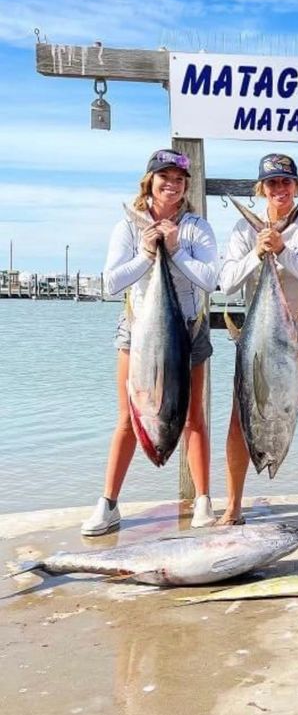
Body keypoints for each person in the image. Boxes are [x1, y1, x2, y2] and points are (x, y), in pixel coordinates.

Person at [81, 149, 219, 535]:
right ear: (150, 180)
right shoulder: (128, 226)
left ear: (186, 185)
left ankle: (204, 501)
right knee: (127, 418)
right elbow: (111, 283)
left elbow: (210, 280)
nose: (171, 184)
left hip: (189, 328)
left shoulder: (196, 228)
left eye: (178, 178)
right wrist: (146, 253)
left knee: (193, 417)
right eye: (164, 177)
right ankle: (108, 504)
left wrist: (174, 250)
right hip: (139, 330)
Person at [218, 153, 298, 537]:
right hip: (259, 336)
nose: (279, 190)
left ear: (297, 186)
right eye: (272, 184)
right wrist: (259, 252)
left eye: (286, 182)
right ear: (261, 189)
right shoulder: (243, 230)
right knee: (240, 419)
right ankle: (233, 506)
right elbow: (226, 283)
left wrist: (283, 251)